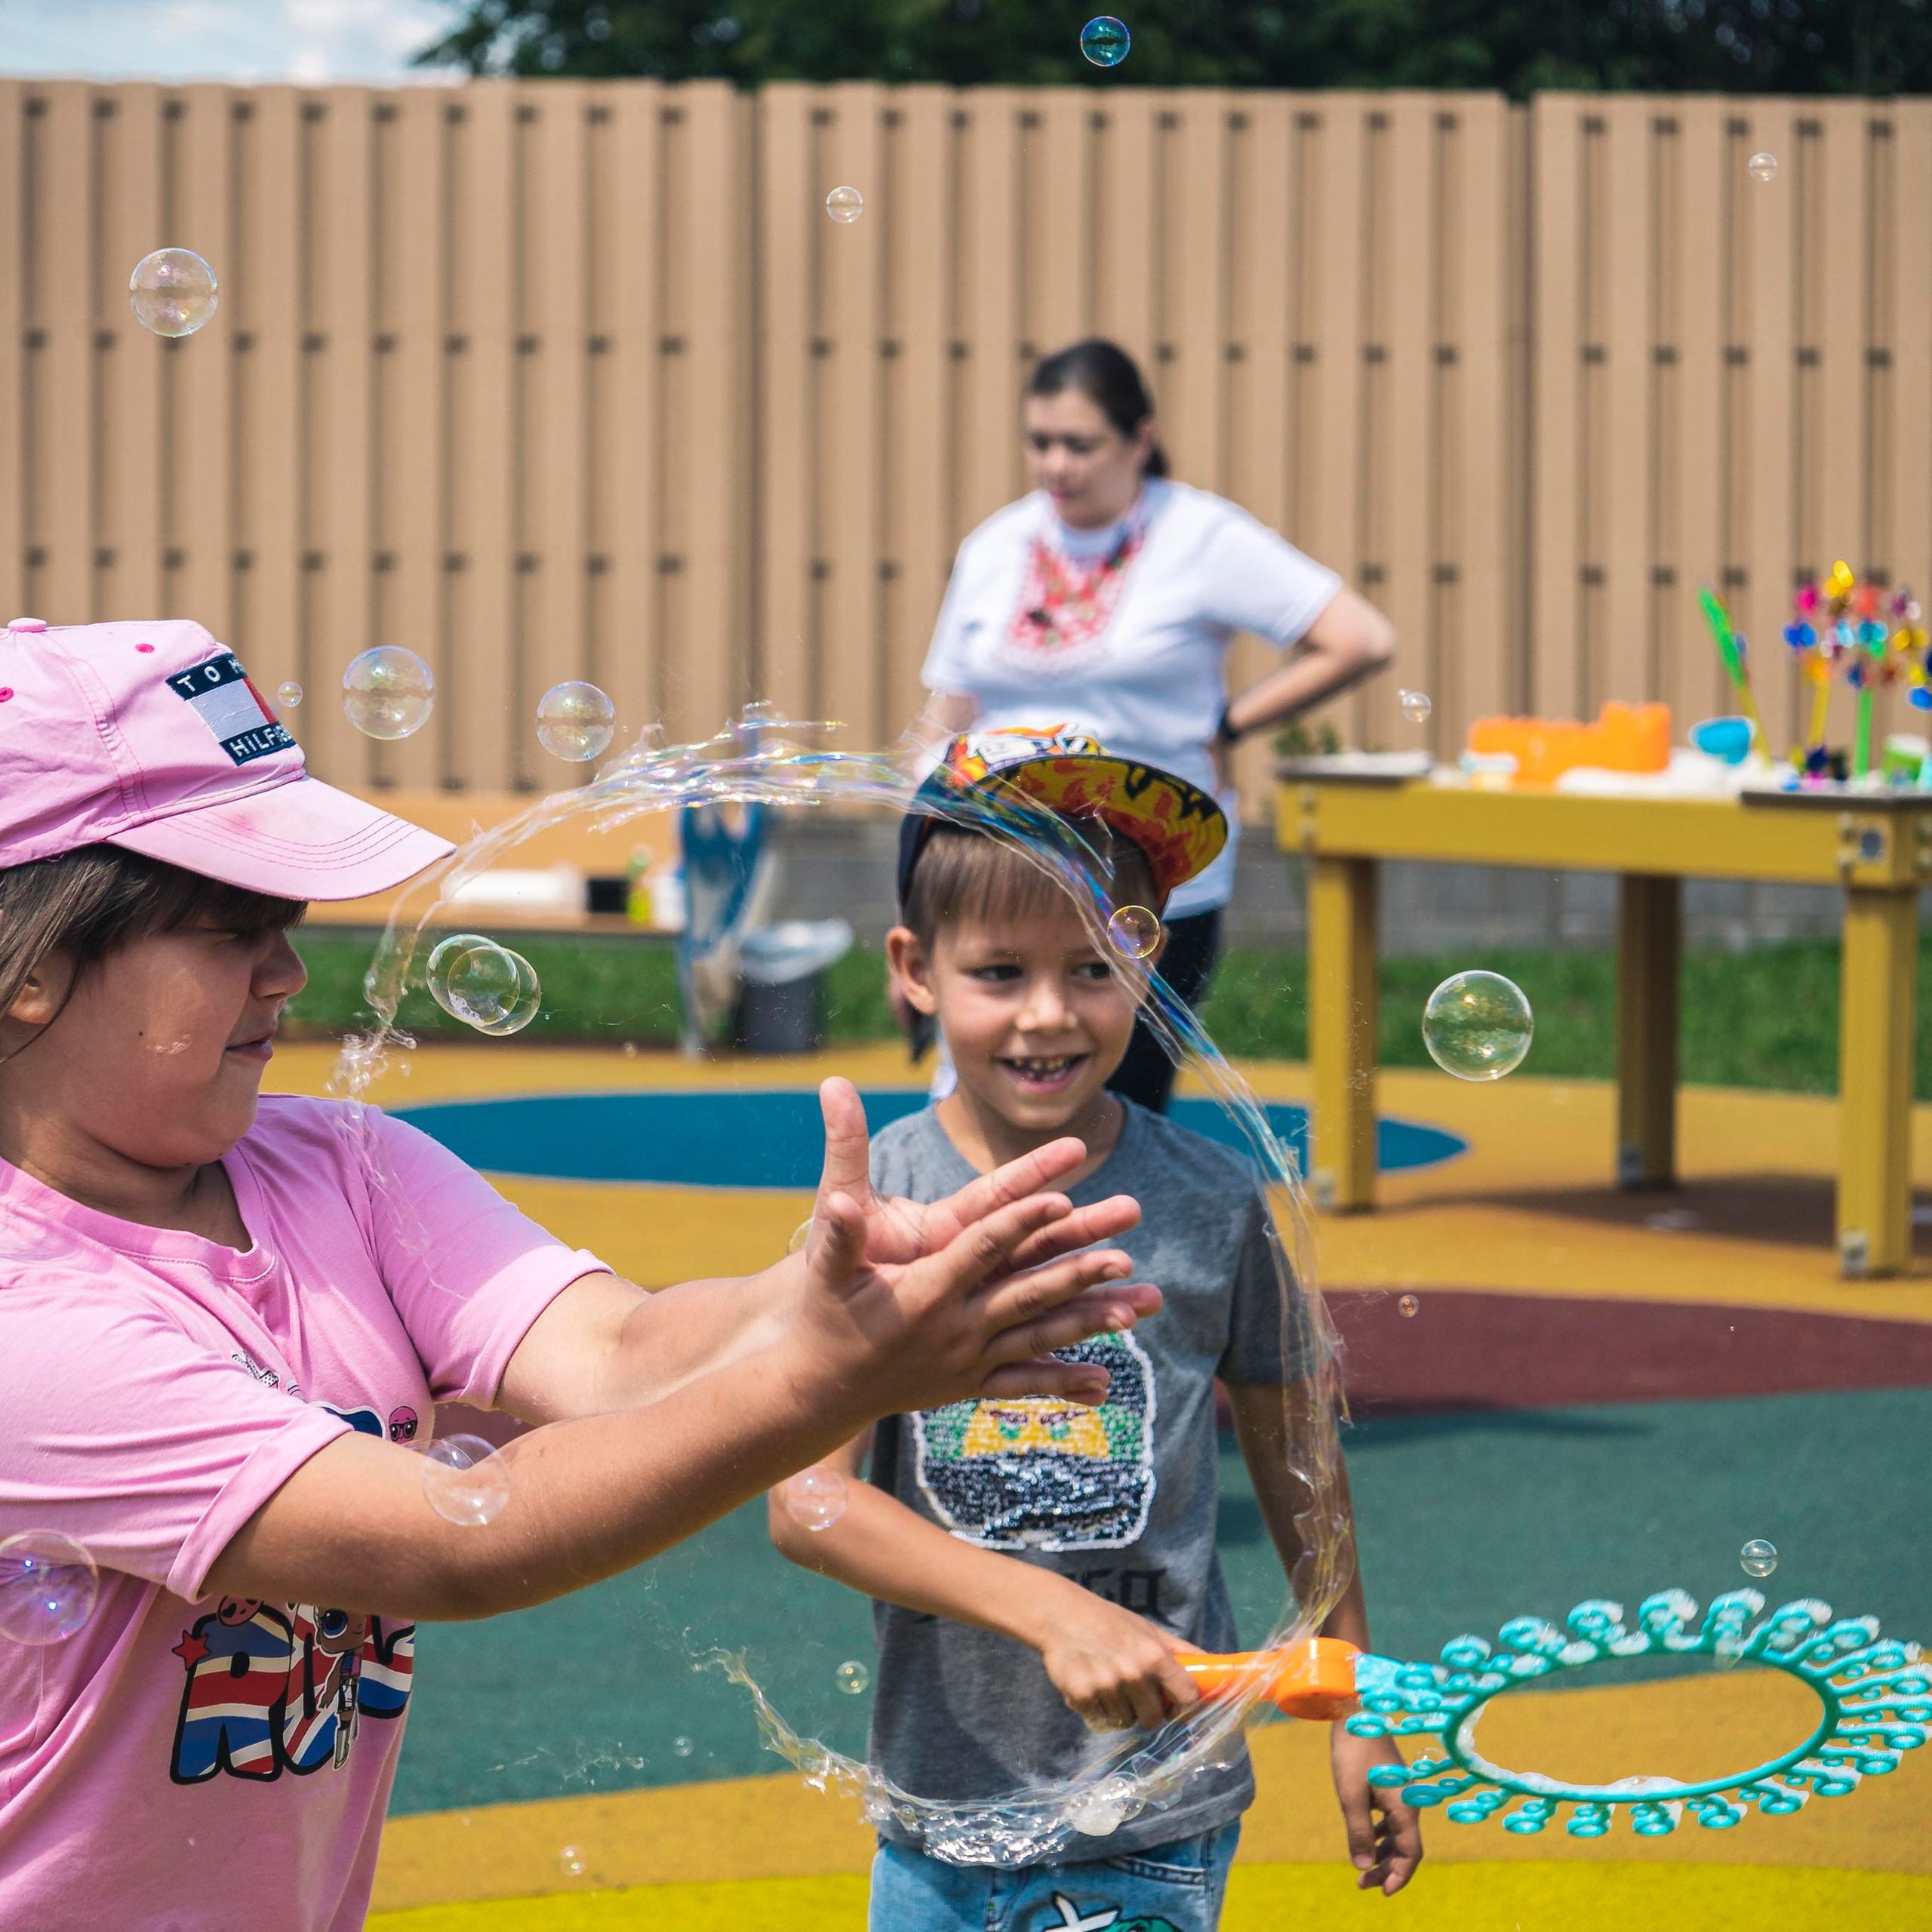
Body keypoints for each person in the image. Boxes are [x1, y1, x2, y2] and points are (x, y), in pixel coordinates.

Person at [0, 618, 1165, 1932]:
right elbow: (456, 1538)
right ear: (33, 965)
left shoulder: (340, 1165)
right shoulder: (28, 1322)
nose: (288, 969)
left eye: (285, 923)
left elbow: (621, 1356)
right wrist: (828, 1379)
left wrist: (819, 1294)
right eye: (231, 929)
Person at [770, 728, 1422, 1932]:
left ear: (1150, 962)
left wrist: (1361, 1705)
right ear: (915, 968)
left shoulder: (1213, 1202)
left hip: (1152, 1814)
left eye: (1092, 967)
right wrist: (1053, 1612)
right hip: (933, 1815)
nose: (1048, 1015)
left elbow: (1301, 1467)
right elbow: (807, 1503)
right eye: (1000, 971)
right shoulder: (880, 1206)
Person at [918, 339, 1396, 1112]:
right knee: (980, 1111)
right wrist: (915, 882)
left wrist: (1229, 725)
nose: (1056, 465)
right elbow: (946, 720)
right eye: (1040, 441)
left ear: (1140, 439)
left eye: (1080, 444)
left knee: (1117, 1113)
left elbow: (1361, 639)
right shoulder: (997, 545)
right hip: (996, 873)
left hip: (1151, 879)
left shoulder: (1200, 536)